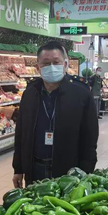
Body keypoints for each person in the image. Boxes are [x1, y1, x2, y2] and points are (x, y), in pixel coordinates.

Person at [12, 41, 99, 188]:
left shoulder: (81, 93)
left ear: (65, 64)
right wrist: (18, 168)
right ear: (38, 67)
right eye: (46, 63)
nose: (51, 67)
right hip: (35, 169)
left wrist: (86, 172)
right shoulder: (30, 93)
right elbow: (21, 133)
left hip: (69, 171)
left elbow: (90, 137)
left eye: (56, 62)